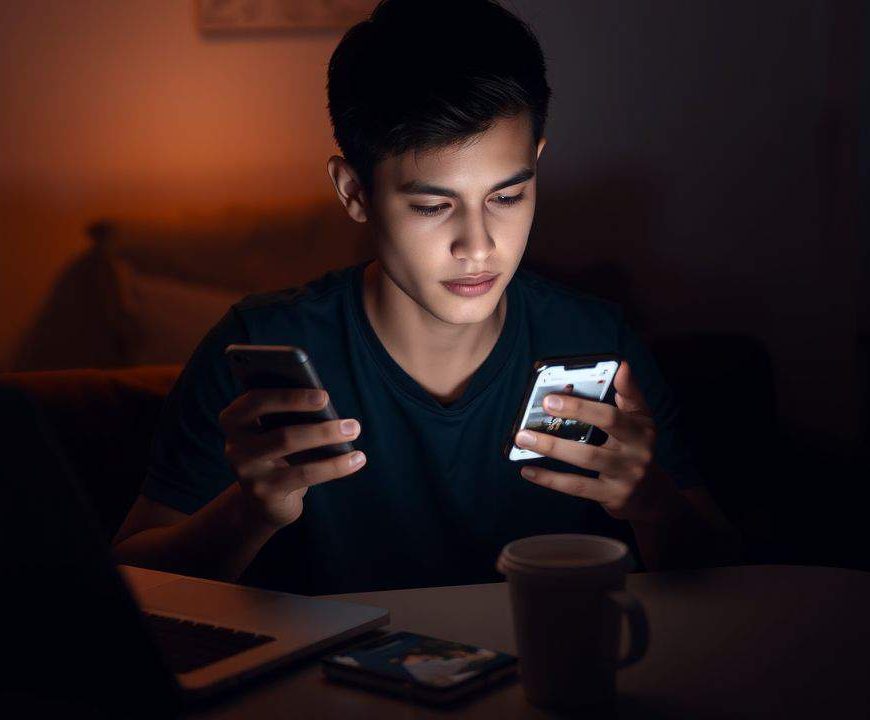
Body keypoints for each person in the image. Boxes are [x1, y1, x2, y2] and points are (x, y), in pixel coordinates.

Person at [113, 0, 739, 595]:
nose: (478, 245)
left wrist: (651, 505)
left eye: (507, 196)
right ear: (354, 190)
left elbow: (737, 584)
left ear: (537, 167)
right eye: (434, 205)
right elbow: (129, 584)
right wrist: (249, 514)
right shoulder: (256, 344)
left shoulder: (599, 340)